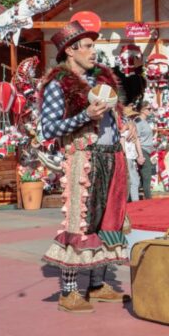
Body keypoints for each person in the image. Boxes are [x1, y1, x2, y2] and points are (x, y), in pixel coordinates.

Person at [39, 21, 130, 313]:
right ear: (70, 50)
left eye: (93, 45)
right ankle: (68, 291)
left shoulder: (100, 81)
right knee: (79, 222)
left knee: (108, 219)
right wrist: (85, 116)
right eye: (88, 46)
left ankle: (96, 285)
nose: (94, 51)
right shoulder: (57, 85)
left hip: (111, 155)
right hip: (83, 158)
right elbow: (49, 128)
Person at [121, 108, 144, 202]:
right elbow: (122, 140)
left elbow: (137, 141)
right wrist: (124, 154)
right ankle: (134, 201)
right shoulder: (124, 126)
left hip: (130, 156)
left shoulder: (132, 126)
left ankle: (133, 200)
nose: (134, 117)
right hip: (127, 157)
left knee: (133, 180)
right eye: (132, 116)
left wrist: (140, 155)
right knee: (133, 180)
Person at [133, 101, 155, 199]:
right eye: (148, 109)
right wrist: (140, 155)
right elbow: (136, 138)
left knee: (145, 177)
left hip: (147, 150)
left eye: (151, 109)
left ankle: (144, 198)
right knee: (147, 176)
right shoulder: (138, 121)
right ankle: (149, 200)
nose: (151, 111)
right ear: (142, 110)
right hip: (142, 150)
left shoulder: (145, 121)